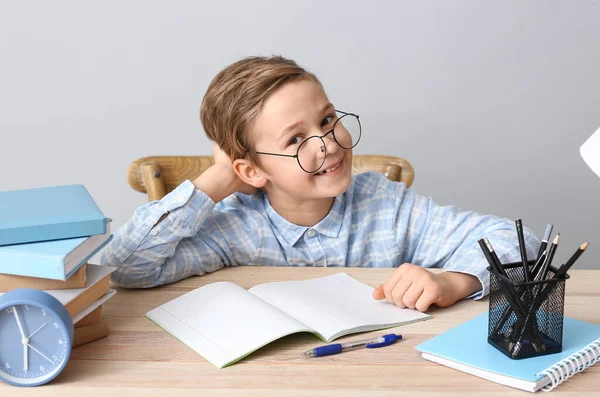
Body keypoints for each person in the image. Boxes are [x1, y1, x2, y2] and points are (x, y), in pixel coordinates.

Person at [100, 56, 539, 312]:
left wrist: (454, 282)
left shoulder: (386, 207)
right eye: (295, 139)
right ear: (250, 171)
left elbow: (518, 242)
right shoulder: (234, 228)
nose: (328, 143)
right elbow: (124, 268)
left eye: (327, 120)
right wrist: (217, 179)